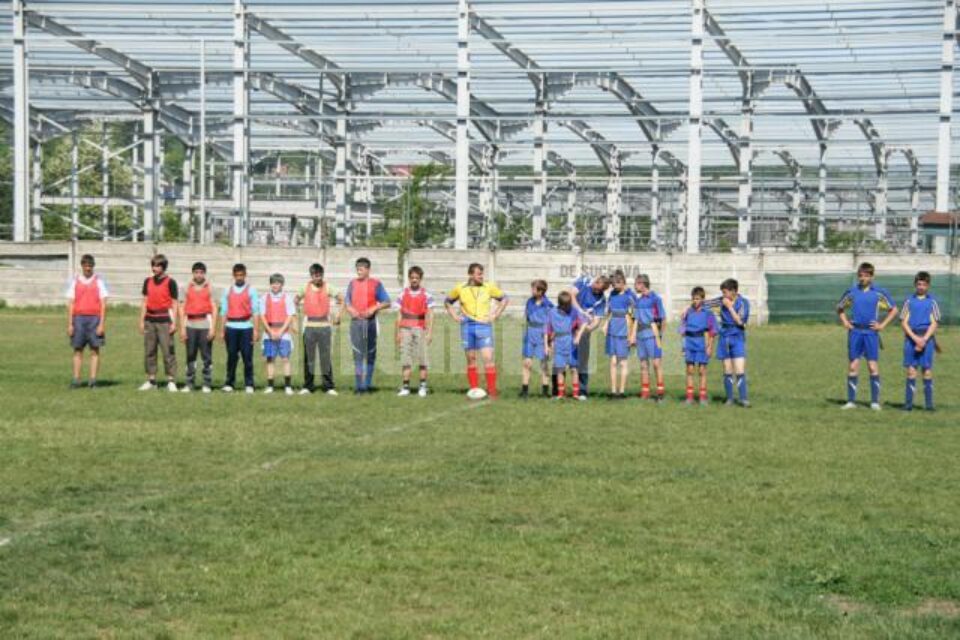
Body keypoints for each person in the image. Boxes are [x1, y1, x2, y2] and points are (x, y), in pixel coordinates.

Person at [837, 262, 898, 410]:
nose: (862, 278)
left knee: (872, 366)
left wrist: (881, 325)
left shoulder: (879, 292)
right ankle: (851, 401)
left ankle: (875, 402)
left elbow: (894, 309)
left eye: (866, 275)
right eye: (860, 275)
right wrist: (846, 322)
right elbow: (839, 308)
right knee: (853, 366)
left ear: (872, 276)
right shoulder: (851, 292)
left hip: (871, 333)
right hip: (855, 332)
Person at [445, 263, 509, 398]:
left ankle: (492, 391)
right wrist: (455, 316)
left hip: (484, 326)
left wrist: (495, 315)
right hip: (467, 327)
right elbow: (447, 301)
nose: (481, 276)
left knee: (488, 358)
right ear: (471, 274)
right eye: (479, 273)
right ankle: (474, 389)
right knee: (471, 359)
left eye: (482, 273)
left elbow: (504, 298)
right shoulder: (460, 288)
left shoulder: (488, 287)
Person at [344, 257, 390, 393]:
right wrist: (350, 309)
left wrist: (374, 308)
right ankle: (359, 387)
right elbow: (347, 302)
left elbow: (387, 301)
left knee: (370, 355)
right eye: (357, 269)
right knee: (357, 355)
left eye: (361, 269)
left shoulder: (376, 284)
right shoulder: (352, 284)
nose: (359, 271)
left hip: (371, 324)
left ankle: (367, 385)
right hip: (356, 324)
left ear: (368, 270)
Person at [297, 263, 341, 396]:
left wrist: (338, 315)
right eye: (315, 275)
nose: (318, 277)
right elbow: (295, 299)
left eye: (320, 275)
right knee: (309, 358)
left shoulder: (328, 287)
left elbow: (342, 299)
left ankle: (328, 386)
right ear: (311, 276)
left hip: (325, 328)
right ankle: (308, 386)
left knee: (325, 358)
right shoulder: (304, 287)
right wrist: (297, 310)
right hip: (309, 327)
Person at [706, 278, 751, 407]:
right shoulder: (721, 300)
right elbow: (705, 304)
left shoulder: (743, 303)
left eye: (725, 292)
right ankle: (730, 399)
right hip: (724, 337)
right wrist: (688, 308)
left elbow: (740, 322)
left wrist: (730, 307)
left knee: (739, 369)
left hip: (737, 337)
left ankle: (743, 399)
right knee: (727, 369)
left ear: (733, 292)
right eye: (722, 292)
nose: (723, 295)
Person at [65, 253, 108, 389]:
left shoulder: (99, 281)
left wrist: (101, 323)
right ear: (82, 266)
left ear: (93, 266)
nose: (88, 268)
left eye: (90, 266)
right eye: (85, 266)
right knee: (78, 350)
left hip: (94, 319)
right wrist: (70, 323)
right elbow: (71, 303)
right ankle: (76, 379)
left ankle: (93, 380)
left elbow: (103, 303)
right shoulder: (75, 281)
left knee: (95, 350)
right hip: (79, 319)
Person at [900, 271, 941, 412]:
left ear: (928, 286)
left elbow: (934, 323)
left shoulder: (932, 302)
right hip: (911, 339)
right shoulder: (909, 301)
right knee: (911, 372)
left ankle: (929, 406)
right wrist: (915, 338)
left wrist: (923, 339)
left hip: (927, 340)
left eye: (924, 284)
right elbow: (904, 323)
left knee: (927, 372)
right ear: (915, 285)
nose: (921, 287)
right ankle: (908, 405)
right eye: (919, 284)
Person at [138, 254, 179, 392]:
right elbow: (144, 301)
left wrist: (174, 323)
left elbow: (174, 303)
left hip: (165, 321)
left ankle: (171, 380)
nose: (154, 268)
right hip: (150, 320)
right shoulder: (147, 281)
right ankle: (151, 380)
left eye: (157, 266)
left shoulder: (171, 282)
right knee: (149, 351)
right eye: (153, 265)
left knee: (168, 351)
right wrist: (141, 321)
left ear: (163, 267)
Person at [393, 266, 434, 397]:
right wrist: (398, 332)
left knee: (423, 359)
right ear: (409, 279)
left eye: (417, 278)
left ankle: (422, 386)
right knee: (406, 359)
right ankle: (405, 387)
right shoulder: (402, 294)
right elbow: (399, 315)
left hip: (420, 328)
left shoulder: (426, 295)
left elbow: (431, 314)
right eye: (412, 278)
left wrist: (429, 332)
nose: (414, 280)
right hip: (405, 328)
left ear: (420, 279)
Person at [568, 273, 611, 398]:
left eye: (600, 290)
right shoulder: (584, 281)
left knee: (582, 361)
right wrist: (580, 311)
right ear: (596, 280)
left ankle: (582, 391)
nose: (597, 290)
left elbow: (597, 321)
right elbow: (571, 295)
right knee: (564, 358)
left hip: (584, 332)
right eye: (596, 287)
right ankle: (558, 391)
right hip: (568, 324)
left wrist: (585, 329)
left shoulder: (601, 299)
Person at [220, 263, 260, 393]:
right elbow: (224, 312)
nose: (239, 278)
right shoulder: (227, 291)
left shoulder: (251, 290)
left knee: (247, 357)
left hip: (246, 327)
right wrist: (222, 330)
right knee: (231, 356)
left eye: (241, 275)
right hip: (231, 327)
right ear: (233, 275)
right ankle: (229, 383)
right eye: (237, 275)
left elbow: (255, 311)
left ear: (245, 275)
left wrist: (255, 330)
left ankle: (249, 384)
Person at [546, 291, 593, 400]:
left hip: (571, 344)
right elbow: (548, 329)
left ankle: (576, 394)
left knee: (574, 369)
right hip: (559, 343)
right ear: (560, 305)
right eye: (566, 306)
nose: (569, 308)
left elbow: (585, 322)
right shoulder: (552, 312)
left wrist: (578, 336)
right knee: (560, 369)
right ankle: (561, 394)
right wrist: (549, 344)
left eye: (569, 305)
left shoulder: (574, 311)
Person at [179, 262, 217, 393]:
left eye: (201, 272)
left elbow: (214, 308)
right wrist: (183, 329)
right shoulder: (186, 287)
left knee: (206, 356)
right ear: (193, 273)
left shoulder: (210, 287)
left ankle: (207, 383)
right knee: (190, 355)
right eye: (196, 272)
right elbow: (182, 308)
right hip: (190, 324)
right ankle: (189, 383)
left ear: (204, 274)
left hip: (205, 324)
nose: (199, 275)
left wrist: (213, 328)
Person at [260, 273, 297, 395]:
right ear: (270, 284)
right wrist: (270, 331)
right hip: (269, 332)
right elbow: (262, 316)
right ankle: (270, 385)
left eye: (278, 283)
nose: (275, 285)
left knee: (285, 358)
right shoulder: (265, 298)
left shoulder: (287, 298)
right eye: (273, 283)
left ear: (282, 284)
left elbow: (290, 316)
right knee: (270, 359)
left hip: (284, 333)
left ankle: (287, 386)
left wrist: (281, 331)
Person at [680, 286, 717, 405]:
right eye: (693, 299)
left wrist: (710, 346)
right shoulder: (687, 312)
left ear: (702, 299)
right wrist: (683, 346)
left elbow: (712, 331)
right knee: (690, 370)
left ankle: (702, 397)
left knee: (702, 370)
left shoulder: (708, 313)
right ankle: (689, 397)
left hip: (702, 342)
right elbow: (682, 330)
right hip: (689, 342)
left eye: (697, 299)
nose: (695, 301)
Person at [603, 271, 636, 399]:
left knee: (623, 362)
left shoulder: (628, 295)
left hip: (624, 329)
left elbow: (635, 308)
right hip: (612, 330)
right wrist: (606, 324)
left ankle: (621, 392)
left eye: (619, 283)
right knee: (613, 361)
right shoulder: (612, 294)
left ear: (624, 283)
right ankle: (613, 391)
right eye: (614, 283)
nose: (615, 285)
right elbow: (609, 312)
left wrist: (631, 334)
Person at [633, 274, 667, 402]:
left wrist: (660, 336)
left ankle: (660, 394)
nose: (635, 286)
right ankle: (645, 393)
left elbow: (663, 319)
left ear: (642, 284)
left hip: (652, 334)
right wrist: (633, 336)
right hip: (640, 335)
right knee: (643, 364)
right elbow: (636, 319)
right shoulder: (639, 300)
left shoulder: (655, 299)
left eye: (636, 284)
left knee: (656, 364)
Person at [520, 279, 553, 398]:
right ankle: (524, 391)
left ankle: (545, 392)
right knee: (526, 363)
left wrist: (549, 343)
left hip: (542, 336)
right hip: (530, 334)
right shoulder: (529, 301)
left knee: (543, 364)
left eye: (533, 289)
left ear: (541, 291)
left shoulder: (548, 305)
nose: (531, 291)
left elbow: (550, 325)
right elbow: (527, 317)